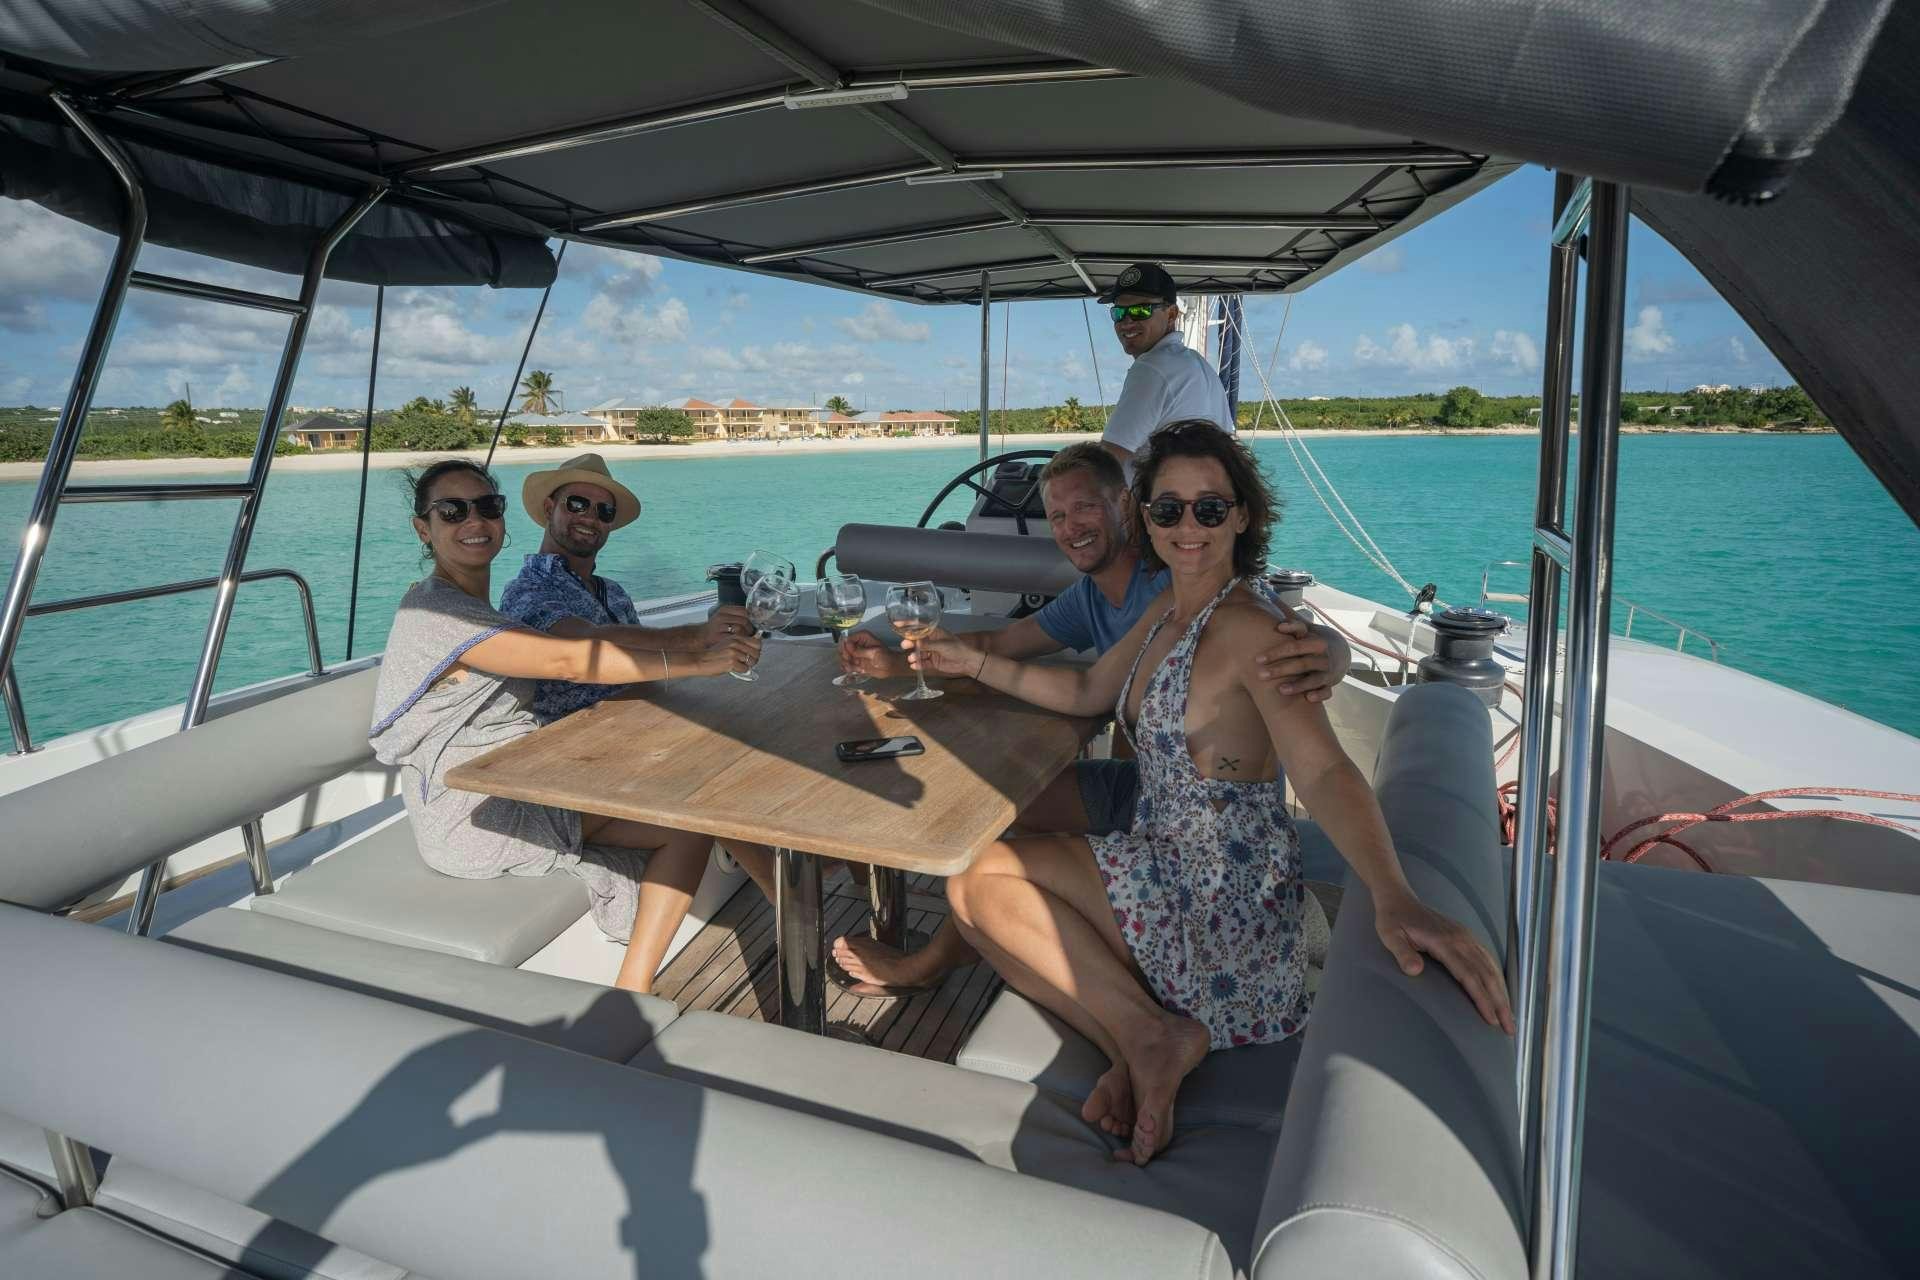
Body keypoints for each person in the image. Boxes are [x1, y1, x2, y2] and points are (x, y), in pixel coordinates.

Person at [903, 422, 1513, 1166]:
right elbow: (1089, 687)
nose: (1187, 526)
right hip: (1165, 861)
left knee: (975, 880)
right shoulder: (1173, 609)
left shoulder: (1253, 629)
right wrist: (971, 661)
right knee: (976, 883)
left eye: (1209, 508)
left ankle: (1149, 1037)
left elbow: (1321, 770)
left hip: (1223, 905)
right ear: (1146, 519)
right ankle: (1141, 1038)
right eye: (1168, 510)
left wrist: (1394, 894)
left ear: (1243, 516)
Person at [831, 441, 1353, 990]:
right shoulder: (1115, 598)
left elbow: (1272, 632)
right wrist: (898, 663)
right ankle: (976, 940)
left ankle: (936, 960)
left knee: (987, 858)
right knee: (1002, 808)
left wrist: (1330, 649)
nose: (1069, 526)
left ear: (1126, 507)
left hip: (1201, 829)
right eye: (1056, 515)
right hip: (1152, 792)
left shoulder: (1178, 580)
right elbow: (1024, 653)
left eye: (1083, 507)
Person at [369, 458, 763, 995]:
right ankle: (641, 986)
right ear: (425, 528)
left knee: (696, 812)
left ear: (503, 520)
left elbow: (600, 648)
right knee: (696, 810)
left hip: (510, 784)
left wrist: (698, 648)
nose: (474, 520)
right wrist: (701, 658)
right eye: (452, 510)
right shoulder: (435, 612)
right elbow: (567, 658)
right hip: (471, 812)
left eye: (487, 507)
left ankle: (633, 989)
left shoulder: (475, 609)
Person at [500, 453, 751, 723]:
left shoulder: (614, 592)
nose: (590, 517)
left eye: (603, 511)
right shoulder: (527, 590)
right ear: (550, 509)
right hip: (573, 743)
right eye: (577, 504)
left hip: (646, 723)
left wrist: (718, 645)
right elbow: (586, 640)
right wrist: (699, 638)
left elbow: (649, 660)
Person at [1097, 262, 1234, 478]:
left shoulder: (1151, 368)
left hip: (1151, 507)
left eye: (1140, 311)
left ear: (1171, 314)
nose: (1127, 321)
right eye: (1119, 312)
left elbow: (1106, 460)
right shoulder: (1200, 366)